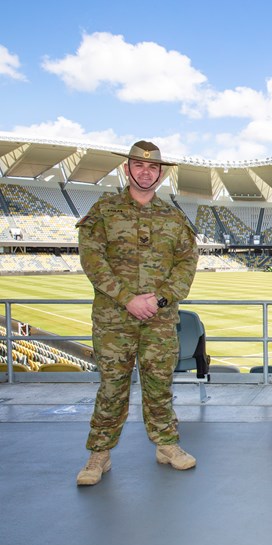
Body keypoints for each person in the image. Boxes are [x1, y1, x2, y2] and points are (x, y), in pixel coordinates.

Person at [76, 141, 198, 486]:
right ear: (127, 169)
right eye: (139, 166)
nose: (146, 172)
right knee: (112, 386)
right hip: (114, 318)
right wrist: (128, 298)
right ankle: (99, 453)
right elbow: (92, 260)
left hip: (159, 319)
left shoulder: (174, 218)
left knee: (160, 384)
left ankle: (166, 444)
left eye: (153, 168)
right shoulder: (104, 211)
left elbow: (186, 264)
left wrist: (159, 299)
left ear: (160, 175)